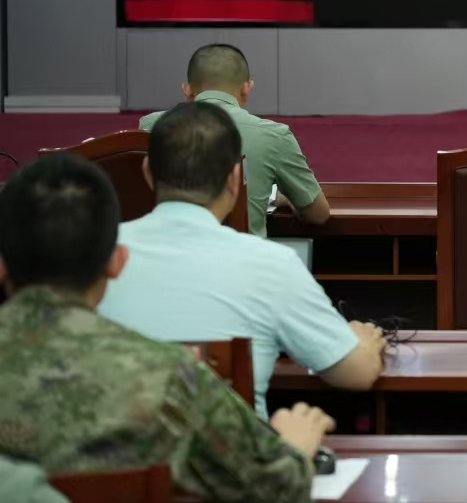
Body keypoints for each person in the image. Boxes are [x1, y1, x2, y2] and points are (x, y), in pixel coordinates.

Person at [0, 153, 329, 503]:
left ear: (2, 263)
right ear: (117, 262)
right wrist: (296, 448)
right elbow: (275, 488)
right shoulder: (169, 376)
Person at [101, 102, 385, 418]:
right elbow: (357, 374)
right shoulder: (271, 264)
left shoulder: (93, 256)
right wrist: (365, 341)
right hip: (233, 450)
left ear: (148, 174)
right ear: (235, 179)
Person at [137, 43, 329, 235]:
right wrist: (283, 198)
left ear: (187, 90)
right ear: (247, 88)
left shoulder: (150, 126)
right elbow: (318, 214)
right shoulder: (274, 136)